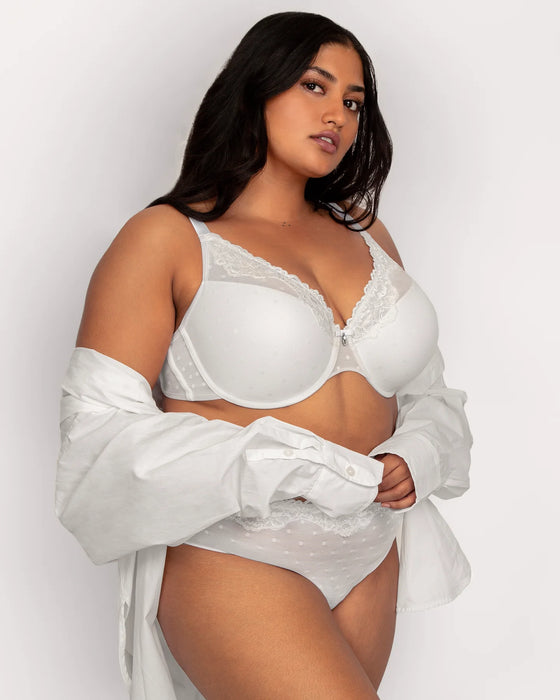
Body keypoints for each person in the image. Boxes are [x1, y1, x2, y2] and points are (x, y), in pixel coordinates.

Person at [55, 11, 472, 700]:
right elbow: (95, 438)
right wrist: (288, 463)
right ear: (256, 87)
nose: (337, 114)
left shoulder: (367, 233)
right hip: (238, 550)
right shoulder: (165, 237)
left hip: (372, 550)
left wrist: (419, 452)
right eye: (314, 86)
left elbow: (425, 390)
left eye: (354, 102)